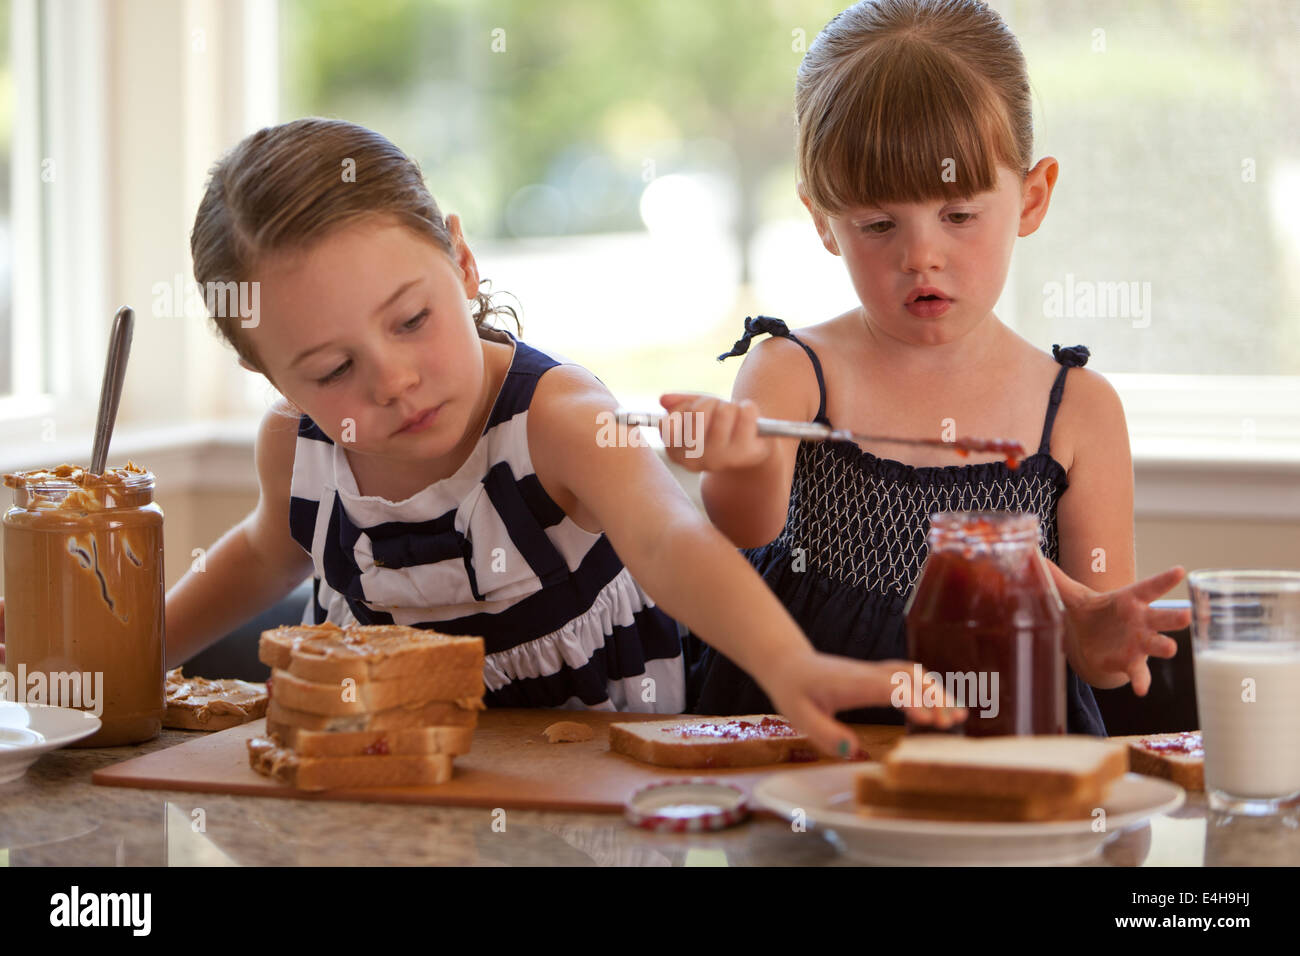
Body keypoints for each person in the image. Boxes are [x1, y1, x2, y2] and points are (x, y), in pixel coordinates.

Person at [132, 116, 981, 759]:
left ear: (462, 262)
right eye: (328, 369)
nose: (391, 379)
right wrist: (128, 658)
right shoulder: (297, 446)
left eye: (413, 319)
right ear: (271, 377)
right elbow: (261, 552)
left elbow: (669, 536)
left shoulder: (559, 417)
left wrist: (790, 666)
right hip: (384, 774)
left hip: (587, 778)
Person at [660, 0, 1190, 734]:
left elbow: (1099, 646)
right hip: (815, 764)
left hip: (1006, 770)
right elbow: (746, 529)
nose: (920, 255)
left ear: (1032, 198)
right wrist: (737, 460)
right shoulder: (794, 373)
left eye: (960, 216)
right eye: (877, 225)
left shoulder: (1078, 410)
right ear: (822, 222)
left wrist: (1102, 642)